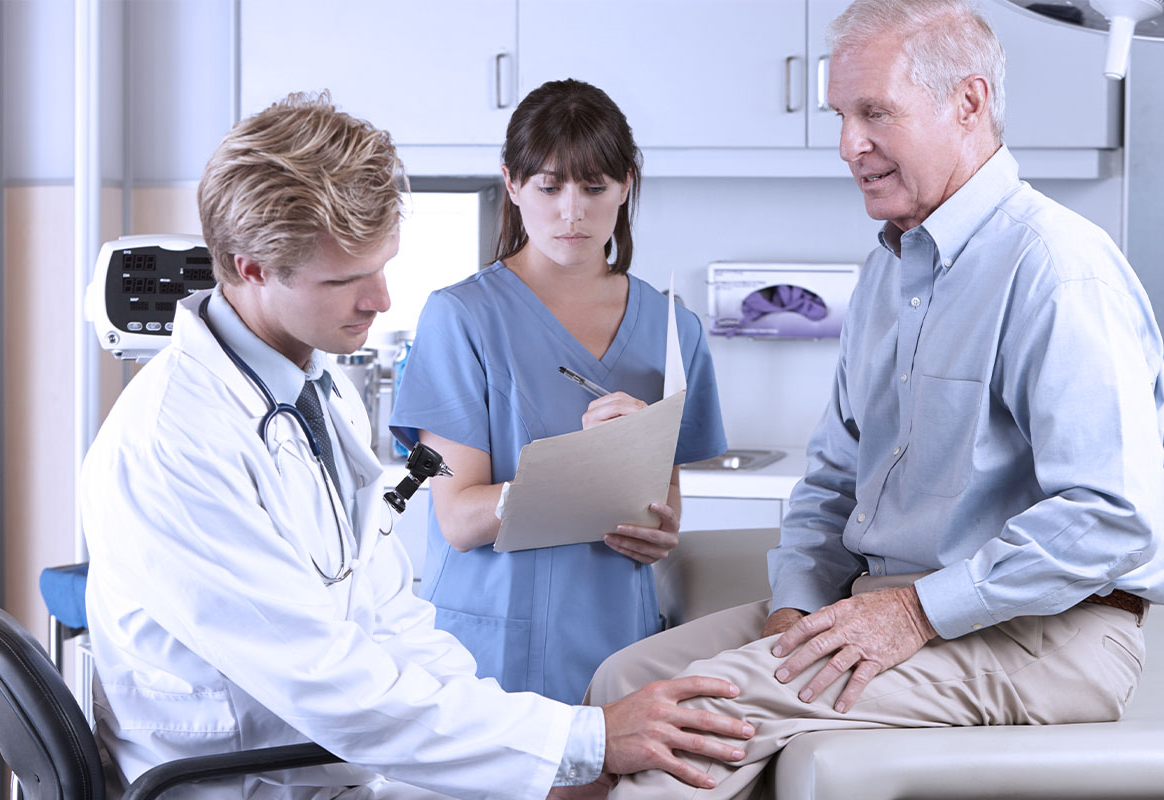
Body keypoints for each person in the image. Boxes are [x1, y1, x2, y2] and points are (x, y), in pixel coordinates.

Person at [80, 91, 754, 800]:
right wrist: (578, 741)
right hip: (255, 781)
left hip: (334, 761)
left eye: (383, 265)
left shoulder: (309, 392)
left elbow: (386, 611)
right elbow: (324, 678)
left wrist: (536, 739)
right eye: (346, 279)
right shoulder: (176, 444)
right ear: (250, 268)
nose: (382, 301)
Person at [585, 1, 1164, 797]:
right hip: (881, 605)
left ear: (968, 102)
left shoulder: (1060, 271)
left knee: (695, 728)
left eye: (874, 113)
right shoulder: (888, 270)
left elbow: (1112, 514)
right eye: (841, 115)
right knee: (621, 685)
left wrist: (917, 614)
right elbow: (833, 477)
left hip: (1045, 634)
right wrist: (794, 606)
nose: (848, 144)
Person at [389, 78, 727, 705]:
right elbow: (459, 519)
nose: (572, 211)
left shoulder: (672, 327)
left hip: (619, 641)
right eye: (549, 186)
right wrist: (580, 471)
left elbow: (664, 512)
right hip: (489, 648)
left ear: (626, 184)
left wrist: (659, 529)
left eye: (594, 187)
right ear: (512, 184)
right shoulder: (460, 318)